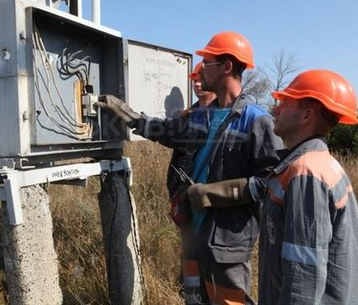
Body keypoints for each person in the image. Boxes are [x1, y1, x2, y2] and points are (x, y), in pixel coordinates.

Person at [96, 31, 283, 305]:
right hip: (193, 236)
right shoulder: (199, 116)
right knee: (194, 299)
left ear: (227, 66)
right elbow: (163, 130)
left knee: (229, 302)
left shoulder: (257, 122)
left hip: (226, 244)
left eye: (207, 62)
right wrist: (127, 114)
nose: (201, 69)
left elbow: (271, 182)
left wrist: (214, 193)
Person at [190, 69, 358, 304]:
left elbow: (303, 276)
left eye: (285, 103)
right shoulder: (316, 164)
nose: (275, 109)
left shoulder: (306, 174)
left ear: (307, 116)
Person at [167, 62, 216, 304]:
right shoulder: (187, 116)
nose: (197, 84)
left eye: (201, 79)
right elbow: (178, 158)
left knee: (210, 254)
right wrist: (175, 192)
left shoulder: (223, 116)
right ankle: (189, 293)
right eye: (194, 80)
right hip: (185, 199)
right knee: (188, 252)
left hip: (211, 201)